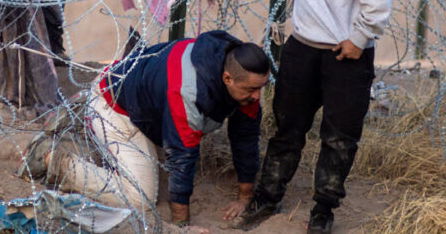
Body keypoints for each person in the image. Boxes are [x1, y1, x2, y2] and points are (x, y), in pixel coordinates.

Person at [197, 0, 393, 234]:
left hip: (346, 54)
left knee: (339, 137)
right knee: (287, 128)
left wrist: (360, 37)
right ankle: (267, 197)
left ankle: (323, 210)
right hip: (303, 47)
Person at [18, 30, 270, 230]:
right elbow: (181, 157)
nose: (257, 95)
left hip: (142, 100)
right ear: (227, 78)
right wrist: (180, 225)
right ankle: (56, 163)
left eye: (261, 87)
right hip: (115, 107)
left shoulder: (240, 75)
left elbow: (246, 138)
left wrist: (244, 198)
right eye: (251, 90)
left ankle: (87, 129)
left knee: (158, 162)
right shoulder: (187, 91)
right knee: (141, 198)